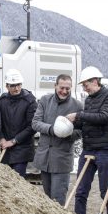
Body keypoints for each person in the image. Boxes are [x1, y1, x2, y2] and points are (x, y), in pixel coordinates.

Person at [68, 66, 108, 214]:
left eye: (86, 84)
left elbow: (103, 117)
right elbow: (88, 122)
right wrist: (74, 122)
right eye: (83, 85)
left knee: (106, 193)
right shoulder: (89, 100)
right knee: (81, 190)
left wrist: (79, 115)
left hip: (105, 150)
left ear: (95, 81)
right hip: (88, 149)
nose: (84, 88)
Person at [31, 74, 83, 204]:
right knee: (48, 200)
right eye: (61, 88)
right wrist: (52, 129)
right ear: (55, 86)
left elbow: (82, 130)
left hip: (62, 160)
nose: (64, 91)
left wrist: (68, 133)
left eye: (68, 88)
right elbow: (35, 123)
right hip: (45, 158)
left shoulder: (78, 106)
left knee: (58, 200)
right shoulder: (45, 100)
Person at [0, 69, 37, 176]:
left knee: (17, 178)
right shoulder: (2, 101)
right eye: (13, 85)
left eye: (18, 85)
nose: (17, 88)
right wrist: (1, 138)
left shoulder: (30, 101)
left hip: (22, 148)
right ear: (7, 86)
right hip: (5, 148)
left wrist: (14, 141)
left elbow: (32, 126)